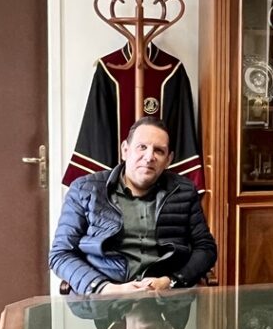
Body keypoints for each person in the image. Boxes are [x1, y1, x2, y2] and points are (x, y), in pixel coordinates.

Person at [50, 116, 217, 295]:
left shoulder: (184, 191)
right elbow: (61, 254)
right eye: (142, 147)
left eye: (159, 151)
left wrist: (171, 281)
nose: (149, 157)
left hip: (165, 299)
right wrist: (105, 288)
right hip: (103, 300)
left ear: (168, 160)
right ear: (125, 150)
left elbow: (205, 248)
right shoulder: (84, 189)